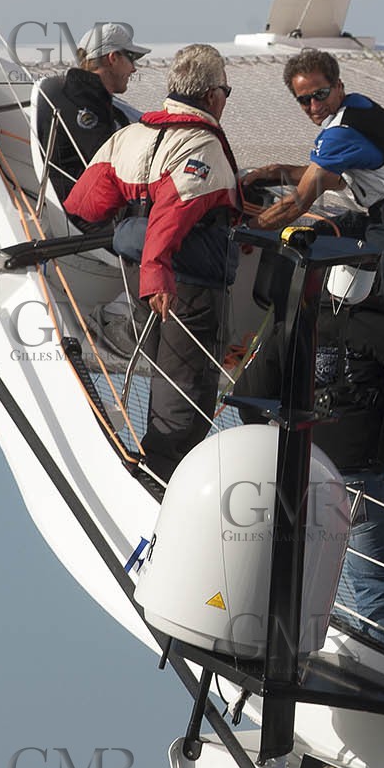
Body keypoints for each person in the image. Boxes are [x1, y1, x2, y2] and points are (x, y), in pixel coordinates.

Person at [234, 264, 384, 659]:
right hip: (359, 480)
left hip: (295, 472)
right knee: (376, 584)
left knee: (285, 568)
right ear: (372, 285)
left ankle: (267, 647)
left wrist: (275, 440)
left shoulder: (295, 322)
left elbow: (249, 395)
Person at [64, 44, 242, 482]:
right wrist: (159, 270)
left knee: (164, 368)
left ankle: (154, 465)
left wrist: (134, 233)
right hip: (183, 284)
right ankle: (160, 480)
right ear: (214, 96)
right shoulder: (201, 145)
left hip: (136, 275)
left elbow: (83, 204)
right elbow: (172, 214)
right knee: (186, 383)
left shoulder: (129, 135)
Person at [240, 48, 384, 321]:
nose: (314, 106)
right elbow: (331, 178)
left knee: (382, 320)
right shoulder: (356, 108)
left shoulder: (341, 131)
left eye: (320, 94)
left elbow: (297, 204)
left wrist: (243, 231)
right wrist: (275, 172)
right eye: (304, 100)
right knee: (319, 237)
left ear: (338, 86)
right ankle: (306, 324)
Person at [35, 22, 148, 212]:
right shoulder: (82, 101)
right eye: (132, 58)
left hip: (85, 209)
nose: (134, 69)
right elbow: (109, 164)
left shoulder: (90, 98)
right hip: (88, 218)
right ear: (113, 58)